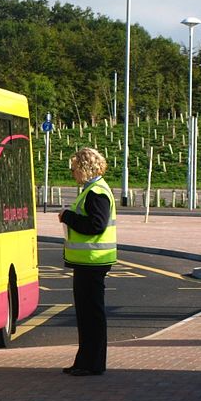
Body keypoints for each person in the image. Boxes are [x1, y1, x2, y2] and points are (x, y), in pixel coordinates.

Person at [58, 147, 117, 377]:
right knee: (87, 314)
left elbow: (96, 225)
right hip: (89, 261)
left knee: (90, 315)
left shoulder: (96, 192)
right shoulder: (92, 189)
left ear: (84, 167)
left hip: (93, 260)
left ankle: (91, 363)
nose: (72, 173)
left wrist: (68, 217)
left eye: (74, 169)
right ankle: (86, 361)